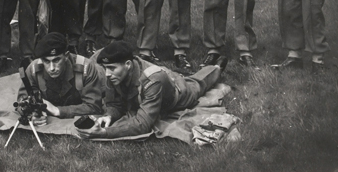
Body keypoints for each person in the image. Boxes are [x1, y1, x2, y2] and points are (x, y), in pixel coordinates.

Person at [76, 40, 226, 139]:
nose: (107, 73)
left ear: (128, 64)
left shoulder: (152, 80)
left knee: (197, 84)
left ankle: (217, 68)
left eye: (111, 68)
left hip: (176, 95)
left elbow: (143, 124)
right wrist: (109, 116)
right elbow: (115, 105)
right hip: (153, 84)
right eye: (105, 68)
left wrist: (105, 132)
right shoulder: (114, 73)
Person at [17, 32, 104, 124]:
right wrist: (32, 115)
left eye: (56, 60)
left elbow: (94, 107)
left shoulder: (86, 68)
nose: (52, 68)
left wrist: (57, 111)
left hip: (102, 79)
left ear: (66, 56)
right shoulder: (34, 69)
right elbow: (22, 101)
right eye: (46, 61)